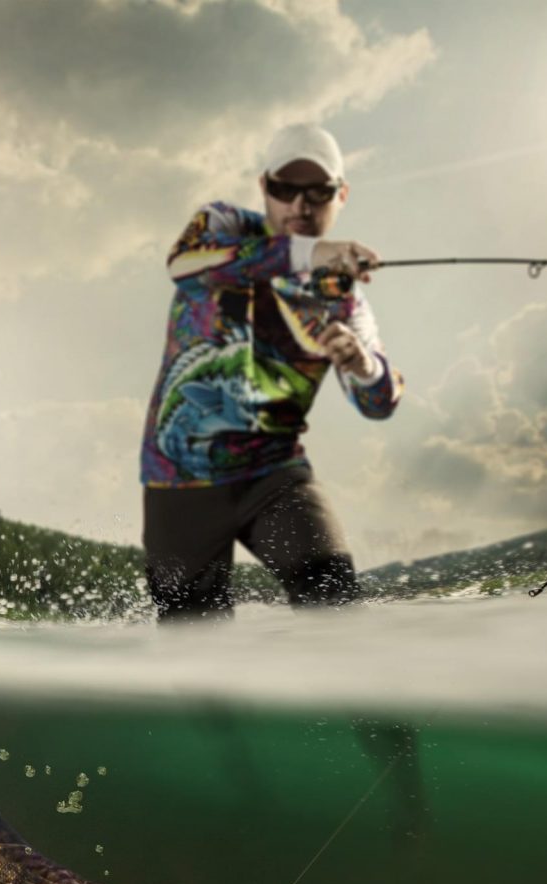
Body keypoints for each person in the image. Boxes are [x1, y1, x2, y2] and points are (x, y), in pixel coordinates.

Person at [140, 122, 404, 618]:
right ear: (264, 187)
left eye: (318, 192)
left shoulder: (346, 302)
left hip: (275, 477)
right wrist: (310, 252)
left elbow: (381, 403)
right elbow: (182, 265)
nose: (300, 206)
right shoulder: (223, 225)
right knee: (193, 631)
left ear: (340, 194)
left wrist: (363, 366)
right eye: (285, 189)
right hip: (180, 479)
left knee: (334, 601)